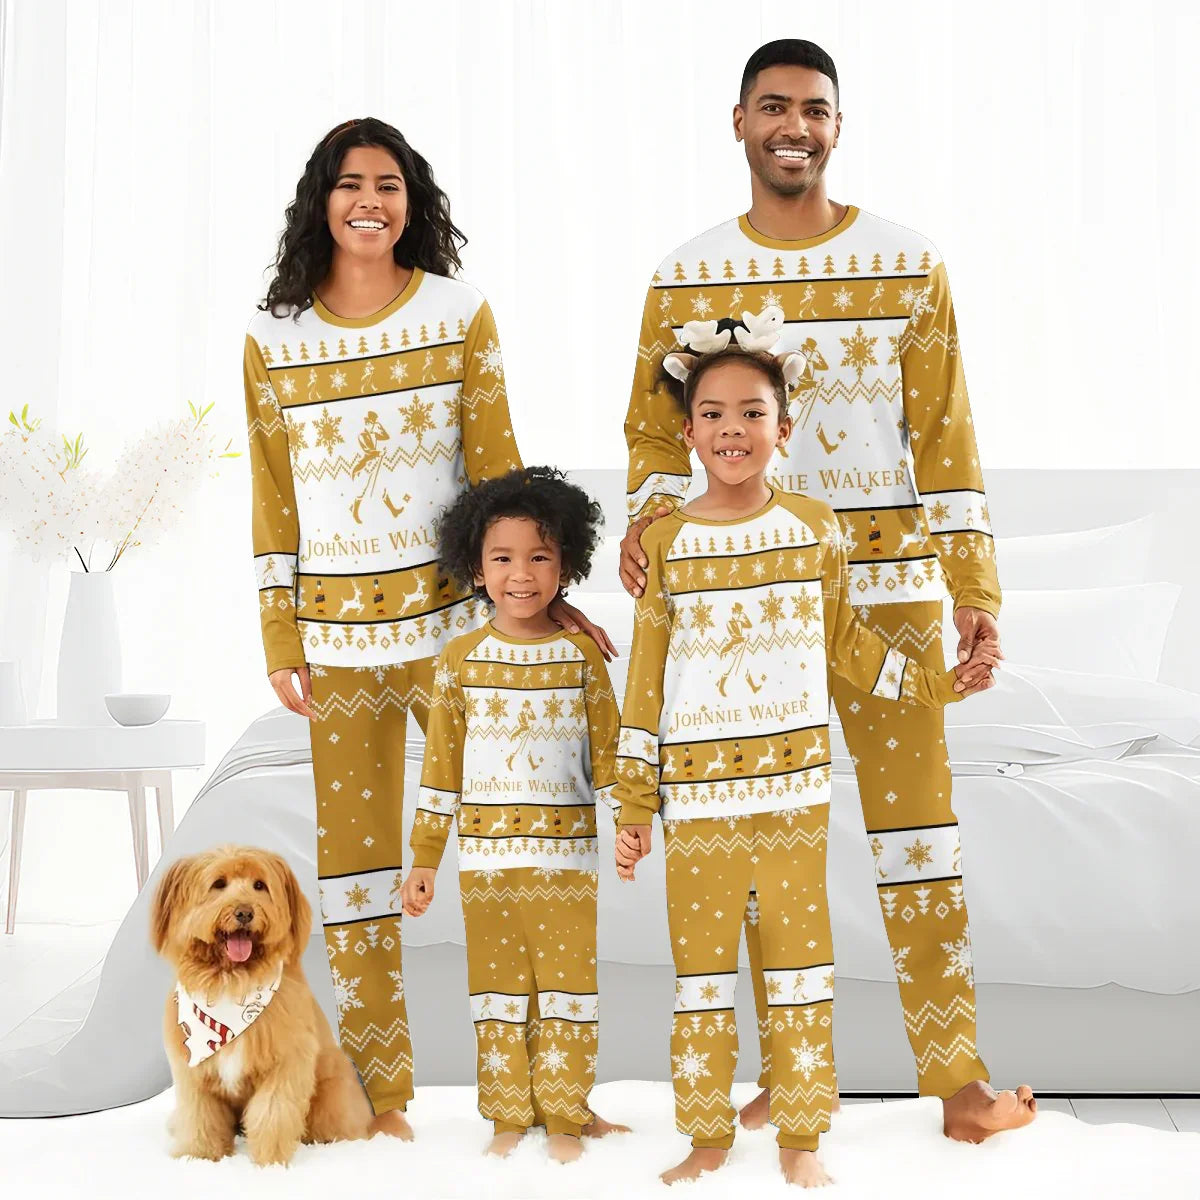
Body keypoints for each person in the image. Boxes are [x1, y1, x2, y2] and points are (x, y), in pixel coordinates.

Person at [619, 40, 1037, 1144]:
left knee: (917, 841)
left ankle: (957, 1085)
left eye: (814, 109)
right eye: (774, 107)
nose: (793, 125)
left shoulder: (910, 264)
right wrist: (647, 526)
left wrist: (972, 581)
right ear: (741, 122)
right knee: (761, 847)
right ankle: (787, 1077)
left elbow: (944, 431)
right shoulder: (686, 275)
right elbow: (656, 433)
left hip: (891, 591)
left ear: (837, 127)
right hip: (741, 608)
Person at [243, 118, 613, 1137]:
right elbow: (274, 495)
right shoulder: (274, 335)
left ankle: (541, 1087)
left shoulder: (458, 314)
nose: (372, 199)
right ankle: (383, 1098)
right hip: (337, 645)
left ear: (414, 202)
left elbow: (498, 466)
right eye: (353, 182)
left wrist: (549, 585)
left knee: (509, 855)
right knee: (358, 880)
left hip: (459, 634)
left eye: (391, 184)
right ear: (323, 199)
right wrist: (281, 635)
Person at [613, 345, 989, 1187]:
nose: (732, 430)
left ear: (784, 428)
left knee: (799, 970)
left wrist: (938, 683)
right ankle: (707, 1135)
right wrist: (634, 805)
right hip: (700, 801)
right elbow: (646, 683)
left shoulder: (816, 528)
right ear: (687, 433)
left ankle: (800, 1136)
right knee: (701, 976)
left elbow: (849, 645)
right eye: (712, 414)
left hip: (793, 796)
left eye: (751, 413)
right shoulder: (667, 544)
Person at [401, 468, 628, 1162]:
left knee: (567, 990)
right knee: (497, 992)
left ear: (567, 564)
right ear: (477, 567)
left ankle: (566, 1116)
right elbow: (440, 769)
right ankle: (507, 1115)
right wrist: (424, 863)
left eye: (540, 556)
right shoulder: (459, 660)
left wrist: (632, 823)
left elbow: (612, 753)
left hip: (566, 862)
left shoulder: (583, 656)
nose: (521, 574)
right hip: (486, 862)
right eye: (503, 558)